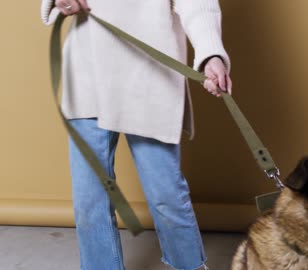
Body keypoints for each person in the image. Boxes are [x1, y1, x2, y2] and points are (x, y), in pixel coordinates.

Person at [40, 0, 232, 269]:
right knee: (89, 197)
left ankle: (188, 265)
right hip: (87, 71)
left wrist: (211, 53)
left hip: (150, 75)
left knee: (166, 193)